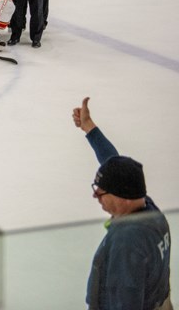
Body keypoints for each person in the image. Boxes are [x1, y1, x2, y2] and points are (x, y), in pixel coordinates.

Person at [72, 97, 172, 310]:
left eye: (101, 192)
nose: (96, 196)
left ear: (122, 197)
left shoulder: (127, 243)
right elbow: (113, 162)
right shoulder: (146, 206)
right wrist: (89, 128)